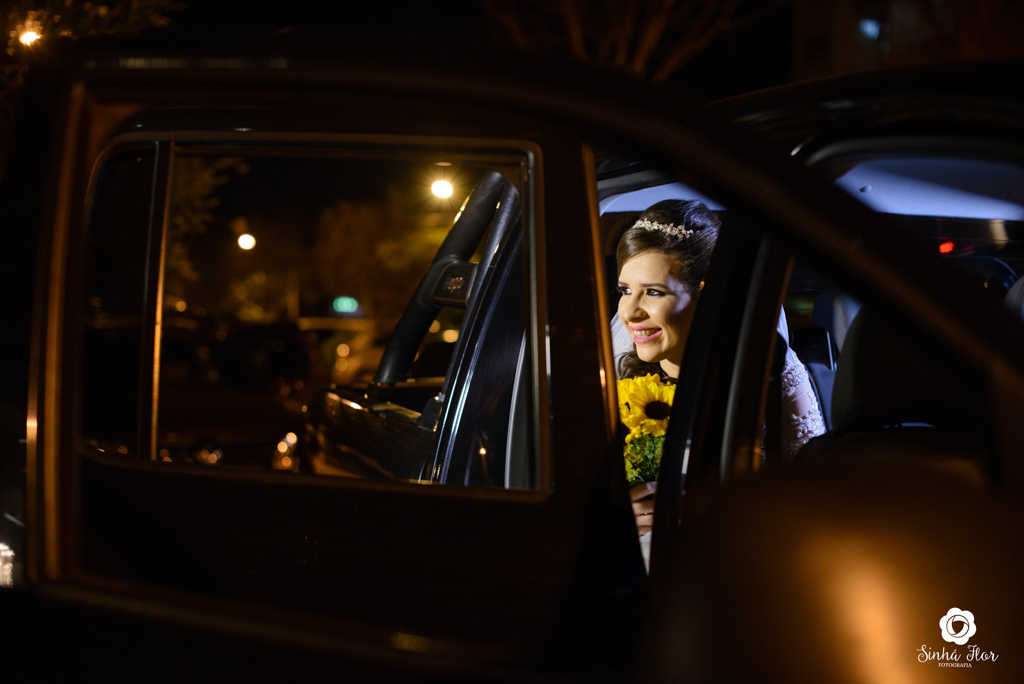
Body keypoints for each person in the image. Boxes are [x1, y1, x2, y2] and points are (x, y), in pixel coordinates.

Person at [613, 200, 825, 554]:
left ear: (706, 294)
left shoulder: (766, 377)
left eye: (653, 292)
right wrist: (621, 515)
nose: (630, 312)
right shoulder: (618, 386)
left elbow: (811, 501)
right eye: (624, 290)